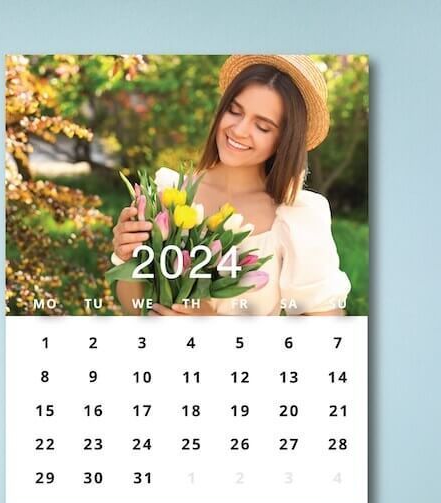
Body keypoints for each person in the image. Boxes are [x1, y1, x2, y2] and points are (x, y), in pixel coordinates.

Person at [111, 55, 351, 316]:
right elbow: (133, 306)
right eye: (234, 111)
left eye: (262, 126)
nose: (239, 129)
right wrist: (128, 256)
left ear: (284, 140)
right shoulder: (168, 193)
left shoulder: (297, 216)